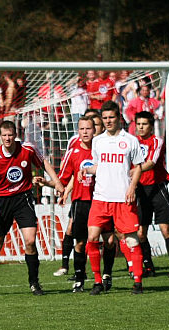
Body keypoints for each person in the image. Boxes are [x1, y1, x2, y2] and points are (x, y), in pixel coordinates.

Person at [0, 120, 64, 296]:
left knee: (30, 241)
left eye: (10, 135)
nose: (7, 139)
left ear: (16, 135)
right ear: (0, 137)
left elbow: (44, 163)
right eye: (4, 136)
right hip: (1, 201)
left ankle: (34, 283)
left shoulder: (28, 149)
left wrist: (57, 182)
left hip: (23, 199)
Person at [80, 100, 145, 295]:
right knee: (92, 237)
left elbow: (138, 166)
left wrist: (132, 188)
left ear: (119, 118)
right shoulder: (98, 141)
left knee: (132, 240)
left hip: (122, 198)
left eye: (111, 117)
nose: (108, 121)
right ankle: (98, 282)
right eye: (105, 118)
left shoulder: (131, 140)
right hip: (101, 198)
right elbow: (100, 166)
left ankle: (138, 281)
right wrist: (88, 170)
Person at [52, 117, 96, 292]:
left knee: (107, 240)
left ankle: (105, 276)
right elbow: (64, 178)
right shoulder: (73, 152)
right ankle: (79, 279)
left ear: (94, 130)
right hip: (80, 202)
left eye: (88, 128)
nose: (85, 132)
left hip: (100, 200)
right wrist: (57, 187)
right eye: (81, 129)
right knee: (80, 242)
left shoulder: (100, 149)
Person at [134, 111, 169, 278]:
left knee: (165, 229)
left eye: (144, 124)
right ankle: (149, 267)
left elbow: (152, 162)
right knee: (140, 232)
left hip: (157, 189)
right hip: (140, 190)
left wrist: (132, 171)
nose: (141, 127)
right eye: (138, 124)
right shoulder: (132, 142)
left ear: (151, 126)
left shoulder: (157, 141)